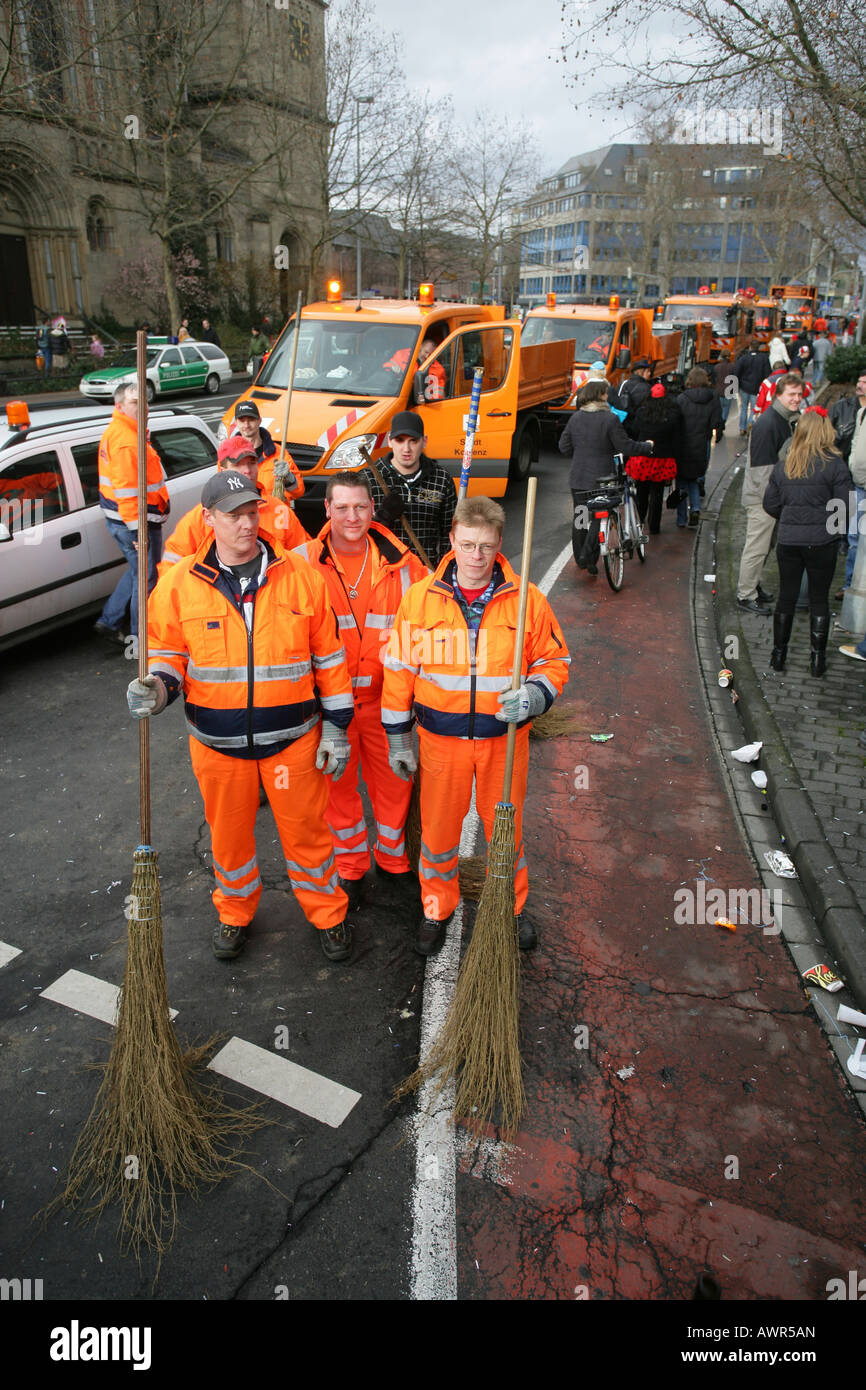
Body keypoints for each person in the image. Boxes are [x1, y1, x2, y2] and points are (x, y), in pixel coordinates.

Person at [126, 469, 355, 963]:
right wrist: (158, 689)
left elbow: (329, 658)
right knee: (228, 841)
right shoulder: (179, 585)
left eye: (252, 512)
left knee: (309, 837)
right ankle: (234, 913)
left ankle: (329, 915)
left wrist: (337, 729)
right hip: (217, 747)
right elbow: (168, 654)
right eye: (234, 516)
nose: (247, 524)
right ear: (208, 519)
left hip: (294, 742)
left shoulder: (301, 577)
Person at [381, 495, 571, 956]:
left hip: (503, 744)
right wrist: (397, 739)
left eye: (485, 546)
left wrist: (533, 696)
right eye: (467, 545)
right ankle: (436, 907)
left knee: (505, 832)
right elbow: (399, 670)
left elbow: (554, 660)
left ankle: (510, 906)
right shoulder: (420, 599)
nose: (476, 556)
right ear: (452, 540)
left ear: (500, 543)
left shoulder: (527, 601)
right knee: (439, 834)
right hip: (439, 743)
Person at [293, 472, 428, 910]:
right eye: (343, 508)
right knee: (338, 789)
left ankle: (392, 860)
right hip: (328, 710)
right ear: (327, 511)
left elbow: (431, 623)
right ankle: (350, 866)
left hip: (387, 705)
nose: (353, 516)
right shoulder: (299, 565)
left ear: (373, 509)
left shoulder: (406, 567)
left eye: (361, 507)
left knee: (395, 785)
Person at [762, 408, 852, 675]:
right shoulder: (836, 466)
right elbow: (846, 505)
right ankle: (817, 660)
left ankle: (778, 656)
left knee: (786, 597)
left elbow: (770, 504)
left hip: (789, 541)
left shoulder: (784, 465)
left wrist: (790, 518)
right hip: (823, 542)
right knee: (819, 599)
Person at [160, 434, 308, 570]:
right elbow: (171, 568)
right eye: (238, 465)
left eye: (251, 463)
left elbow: (305, 559)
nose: (247, 471)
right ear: (222, 469)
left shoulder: (279, 510)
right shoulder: (203, 517)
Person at [94, 382, 169, 646]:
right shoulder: (126, 441)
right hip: (137, 522)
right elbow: (128, 494)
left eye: (145, 401)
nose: (143, 407)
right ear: (119, 406)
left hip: (127, 519)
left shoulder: (125, 432)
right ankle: (141, 638)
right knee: (146, 578)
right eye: (135, 402)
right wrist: (139, 531)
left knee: (139, 572)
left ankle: (111, 618)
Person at [558, 378, 653, 572]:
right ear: (601, 395)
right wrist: (647, 447)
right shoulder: (610, 419)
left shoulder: (576, 418)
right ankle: (588, 554)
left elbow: (563, 446)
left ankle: (580, 558)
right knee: (600, 516)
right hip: (603, 479)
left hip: (579, 477)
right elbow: (625, 446)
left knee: (581, 517)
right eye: (606, 393)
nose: (608, 396)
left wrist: (580, 454)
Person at [735, 373, 803, 614]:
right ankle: (745, 595)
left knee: (764, 547)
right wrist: (773, 503)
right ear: (778, 396)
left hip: (770, 499)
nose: (797, 399)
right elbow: (761, 471)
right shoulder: (769, 423)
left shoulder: (784, 419)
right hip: (763, 500)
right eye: (791, 395)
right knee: (757, 547)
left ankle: (752, 585)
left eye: (799, 394)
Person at [367, 411, 456, 567]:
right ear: (389, 441)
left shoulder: (441, 479)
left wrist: (443, 571)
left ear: (424, 441)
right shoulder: (369, 479)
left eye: (413, 441)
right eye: (400, 440)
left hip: (425, 573)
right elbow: (354, 533)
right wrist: (381, 518)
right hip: (383, 572)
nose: (406, 448)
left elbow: (449, 535)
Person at [626, 382, 682, 534]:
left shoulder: (642, 413)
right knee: (657, 494)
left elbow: (635, 431)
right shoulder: (672, 415)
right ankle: (654, 525)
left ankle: (639, 520)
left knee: (641, 491)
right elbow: (676, 438)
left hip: (643, 458)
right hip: (662, 459)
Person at [674, 367, 723, 528]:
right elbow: (717, 421)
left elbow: (676, 421)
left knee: (681, 482)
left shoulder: (682, 398)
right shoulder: (713, 397)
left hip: (682, 444)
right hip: (701, 443)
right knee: (694, 480)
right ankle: (695, 508)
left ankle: (681, 519)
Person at [831, 375, 866, 597]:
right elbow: (853, 443)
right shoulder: (858, 412)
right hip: (856, 482)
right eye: (860, 382)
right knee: (854, 537)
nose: (860, 386)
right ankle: (850, 585)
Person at [231, 399, 304, 502]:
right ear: (236, 423)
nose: (246, 425)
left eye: (251, 419)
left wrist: (289, 478)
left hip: (275, 515)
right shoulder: (229, 456)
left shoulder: (280, 453)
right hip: (244, 515)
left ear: (259, 421)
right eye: (242, 421)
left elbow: (299, 492)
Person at [732, 344, 771, 434]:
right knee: (754, 408)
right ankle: (750, 425)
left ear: (750, 348)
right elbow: (767, 373)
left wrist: (737, 386)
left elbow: (736, 372)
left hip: (744, 387)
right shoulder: (763, 358)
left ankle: (742, 428)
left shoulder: (744, 358)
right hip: (756, 387)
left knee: (744, 408)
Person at [608, 357, 653, 426]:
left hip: (620, 421)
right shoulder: (646, 388)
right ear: (641, 372)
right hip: (634, 426)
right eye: (648, 371)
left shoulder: (623, 383)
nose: (650, 373)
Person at [712, 348, 734, 431]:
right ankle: (722, 423)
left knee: (719, 409)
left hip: (718, 391)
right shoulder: (732, 367)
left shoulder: (716, 367)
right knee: (726, 409)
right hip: (728, 392)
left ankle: (719, 424)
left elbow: (714, 380)